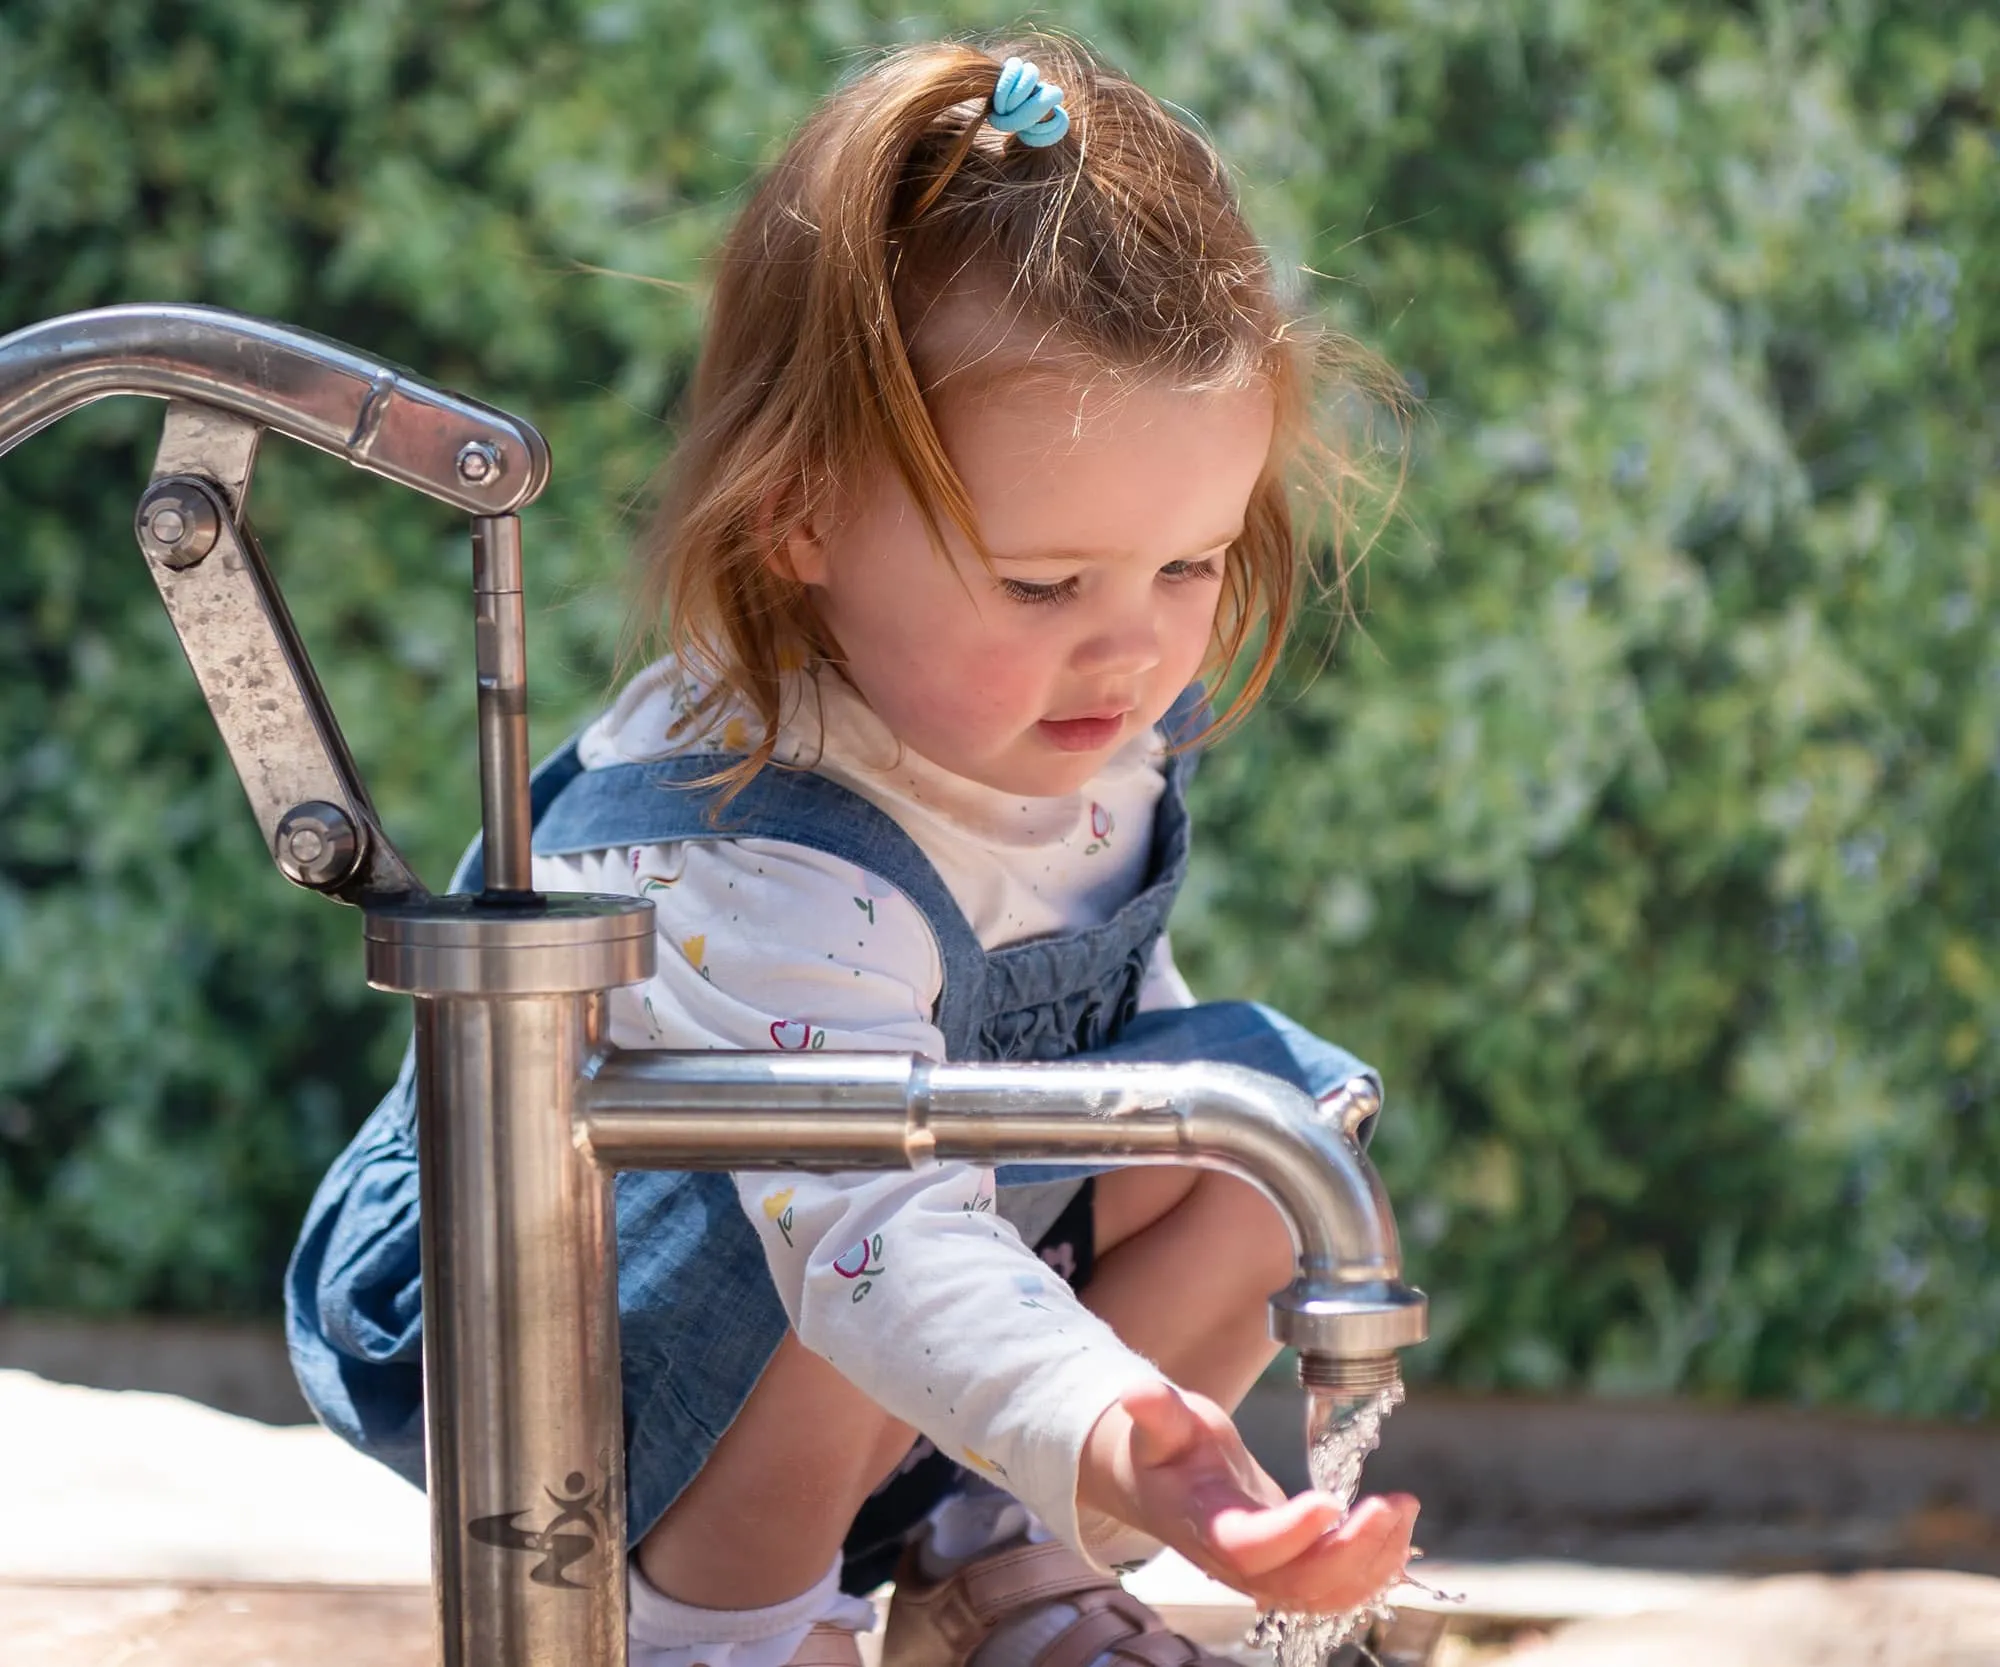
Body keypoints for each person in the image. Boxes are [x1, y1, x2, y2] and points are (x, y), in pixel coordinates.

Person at [286, 32, 1420, 1667]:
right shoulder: (749, 850)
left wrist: (1128, 1400)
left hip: (899, 1286)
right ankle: (725, 1630)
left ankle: (992, 1559)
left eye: (1192, 561)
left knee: (1266, 1124)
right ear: (800, 515)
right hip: (576, 1363)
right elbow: (864, 1244)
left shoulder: (1065, 729)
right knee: (849, 1213)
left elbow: (1106, 1048)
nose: (1133, 652)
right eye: (1045, 585)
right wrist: (1120, 1413)